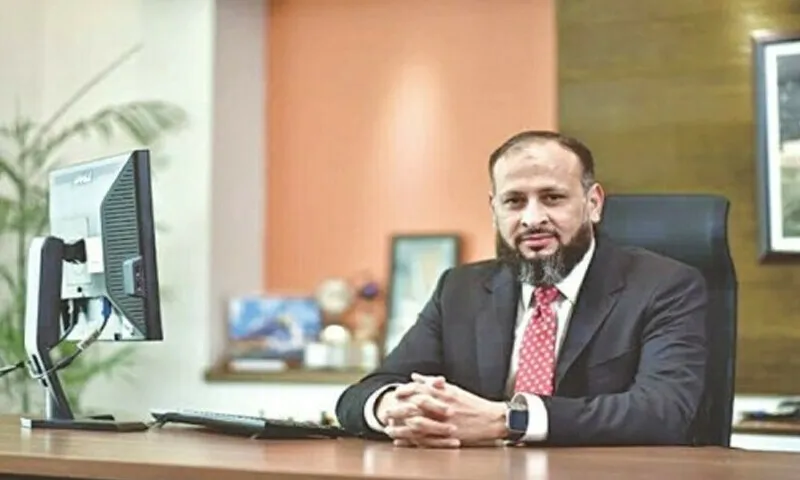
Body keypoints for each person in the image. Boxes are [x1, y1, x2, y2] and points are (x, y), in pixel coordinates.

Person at [335, 130, 708, 447]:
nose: (532, 219)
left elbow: (663, 411)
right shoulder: (460, 290)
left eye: (552, 198)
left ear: (593, 204)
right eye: (514, 201)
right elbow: (362, 394)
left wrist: (509, 419)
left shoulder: (664, 286)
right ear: (494, 210)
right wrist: (393, 408)